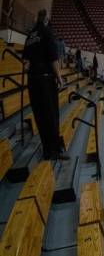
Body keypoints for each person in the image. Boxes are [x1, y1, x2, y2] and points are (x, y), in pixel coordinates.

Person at [23, 9, 68, 160]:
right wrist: (60, 79)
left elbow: (26, 62)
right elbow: (53, 59)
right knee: (51, 115)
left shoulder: (30, 35)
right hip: (45, 80)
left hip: (32, 80)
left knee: (40, 116)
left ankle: (47, 151)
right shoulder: (47, 32)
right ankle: (55, 150)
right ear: (47, 18)